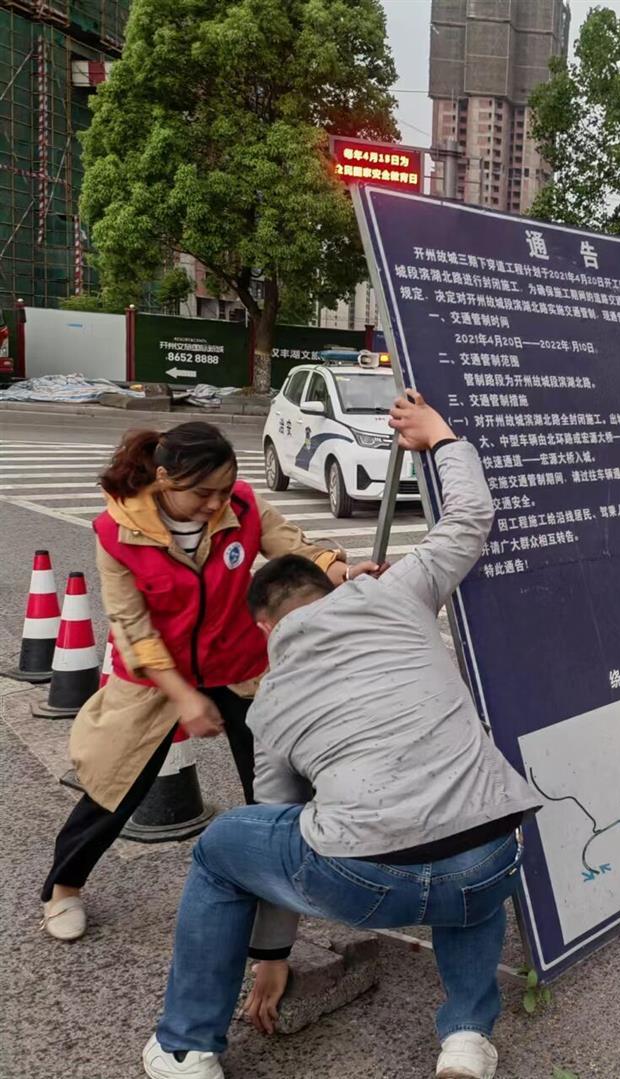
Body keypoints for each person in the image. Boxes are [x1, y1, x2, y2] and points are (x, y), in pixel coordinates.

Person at [141, 391, 541, 1079]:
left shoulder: (269, 705)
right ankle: (467, 1038)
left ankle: (186, 1046)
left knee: (221, 846)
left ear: (266, 628)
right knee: (469, 849)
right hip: (493, 856)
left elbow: (273, 825)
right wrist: (440, 437)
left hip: (364, 879)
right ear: (329, 590)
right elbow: (472, 515)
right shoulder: (399, 589)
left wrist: (273, 957)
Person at [40, 422, 357, 942]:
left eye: (225, 491)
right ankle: (63, 889)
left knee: (277, 783)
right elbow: (132, 626)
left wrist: (340, 571)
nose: (216, 505)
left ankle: (294, 888)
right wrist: (185, 697)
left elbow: (296, 551)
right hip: (157, 675)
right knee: (116, 784)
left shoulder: (243, 505)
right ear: (164, 478)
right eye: (203, 493)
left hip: (240, 665)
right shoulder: (116, 532)